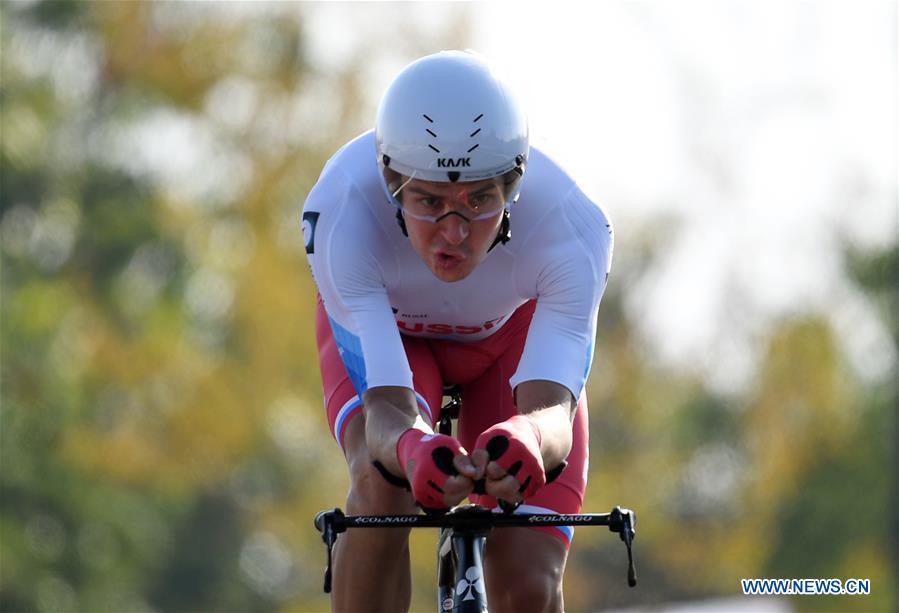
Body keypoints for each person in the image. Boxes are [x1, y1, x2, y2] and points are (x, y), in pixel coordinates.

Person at [302, 50, 613, 613]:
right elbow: (388, 414)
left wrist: (529, 439)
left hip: (507, 340)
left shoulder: (573, 227)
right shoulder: (343, 210)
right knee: (382, 489)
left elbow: (552, 412)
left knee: (529, 582)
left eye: (478, 200)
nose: (453, 232)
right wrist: (413, 447)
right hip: (395, 339)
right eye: (428, 201)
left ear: (514, 186)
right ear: (391, 181)